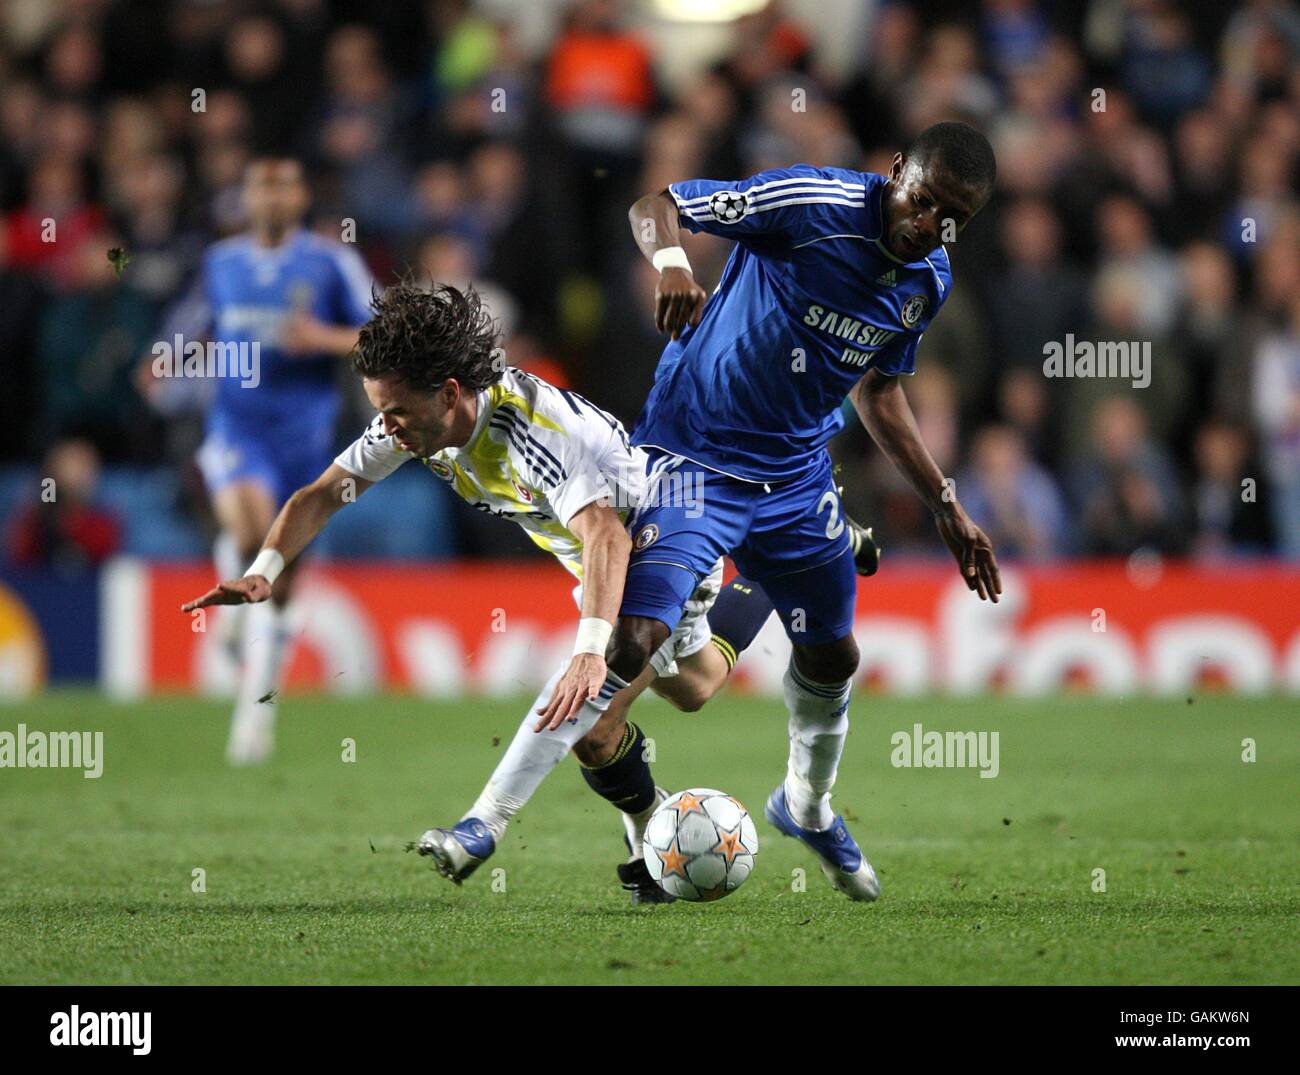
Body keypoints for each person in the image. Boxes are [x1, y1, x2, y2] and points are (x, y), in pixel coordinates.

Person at [180, 282, 885, 903]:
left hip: (660, 542)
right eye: (381, 412)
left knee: (594, 711)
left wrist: (587, 647)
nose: (386, 426)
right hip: (603, 561)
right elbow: (322, 493)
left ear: (449, 393)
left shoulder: (533, 434)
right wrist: (266, 569)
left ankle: (485, 825)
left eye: (394, 412)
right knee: (693, 685)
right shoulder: (421, 416)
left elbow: (606, 534)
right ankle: (800, 550)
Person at [599, 121, 1003, 902]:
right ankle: (599, 800)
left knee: (834, 657)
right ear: (895, 173)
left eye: (953, 218)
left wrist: (946, 503)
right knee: (651, 652)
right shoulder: (810, 202)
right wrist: (675, 264)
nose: (930, 226)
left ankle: (806, 806)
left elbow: (879, 392)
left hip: (794, 476)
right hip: (694, 455)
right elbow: (656, 205)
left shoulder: (928, 283)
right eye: (923, 202)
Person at [142, 158, 374, 764]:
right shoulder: (221, 262)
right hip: (235, 425)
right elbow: (194, 326)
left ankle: (255, 718)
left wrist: (319, 338)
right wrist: (163, 360)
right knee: (249, 534)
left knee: (283, 580)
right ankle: (241, 648)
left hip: (305, 437)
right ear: (245, 197)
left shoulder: (330, 261)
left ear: (300, 195)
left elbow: (379, 336)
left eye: (283, 184)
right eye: (260, 185)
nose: (270, 195)